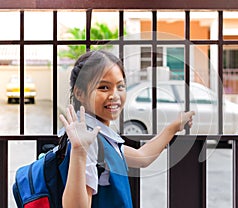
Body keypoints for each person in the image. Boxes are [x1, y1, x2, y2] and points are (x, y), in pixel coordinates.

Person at [59, 50, 195, 207]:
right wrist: (79, 151)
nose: (114, 95)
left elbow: (142, 157)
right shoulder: (88, 140)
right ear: (80, 93)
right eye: (104, 87)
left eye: (120, 86)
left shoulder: (100, 137)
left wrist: (173, 127)